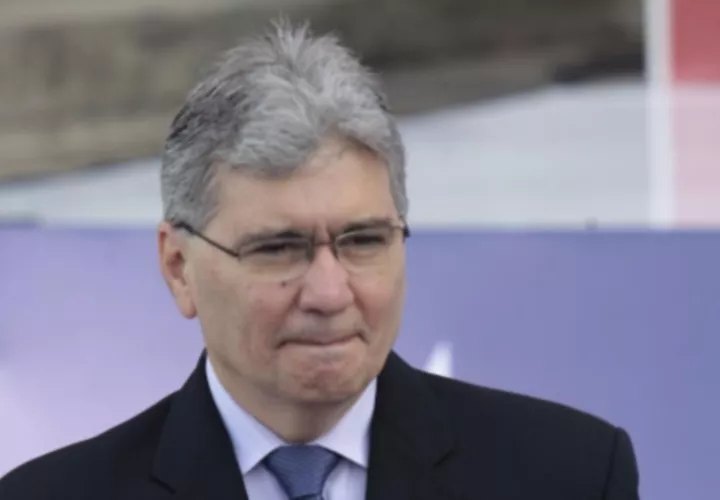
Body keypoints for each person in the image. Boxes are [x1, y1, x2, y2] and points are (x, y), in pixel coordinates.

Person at [0, 19, 640, 500]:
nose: (330, 293)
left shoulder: (570, 476)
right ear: (178, 267)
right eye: (278, 248)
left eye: (363, 241)